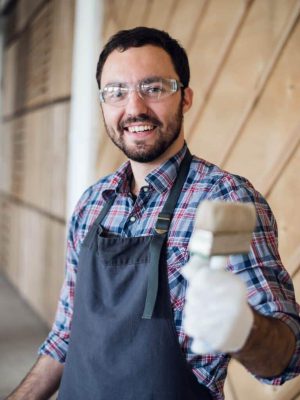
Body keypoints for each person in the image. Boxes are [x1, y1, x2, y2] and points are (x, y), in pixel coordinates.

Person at [7, 26, 300, 400]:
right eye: (117, 92)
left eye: (154, 88)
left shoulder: (225, 198)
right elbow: (65, 335)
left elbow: (286, 360)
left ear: (186, 98)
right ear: (103, 103)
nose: (134, 108)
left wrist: (245, 329)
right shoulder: (92, 203)